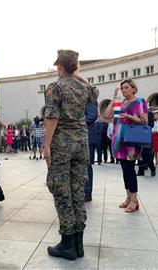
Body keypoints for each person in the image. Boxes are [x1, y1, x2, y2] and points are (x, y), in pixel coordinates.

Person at [43, 49, 98, 260]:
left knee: (61, 191)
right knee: (77, 192)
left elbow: (52, 116)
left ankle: (67, 245)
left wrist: (46, 145)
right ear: (75, 67)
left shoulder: (55, 87)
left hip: (62, 145)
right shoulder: (84, 88)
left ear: (59, 66)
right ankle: (78, 244)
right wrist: (76, 74)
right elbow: (94, 91)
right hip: (81, 145)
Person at [104, 79, 148, 212]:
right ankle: (128, 197)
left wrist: (128, 117)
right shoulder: (121, 103)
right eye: (122, 88)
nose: (123, 90)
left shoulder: (140, 101)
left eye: (126, 87)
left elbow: (144, 121)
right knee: (124, 170)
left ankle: (134, 200)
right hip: (118, 140)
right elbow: (106, 116)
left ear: (134, 88)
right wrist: (113, 99)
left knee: (129, 169)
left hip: (131, 140)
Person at [84, 100, 98, 202]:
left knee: (87, 165)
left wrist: (73, 119)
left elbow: (92, 116)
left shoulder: (90, 97)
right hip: (77, 138)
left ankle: (87, 193)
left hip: (87, 138)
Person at [137, 109, 156, 177]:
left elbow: (151, 125)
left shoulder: (150, 113)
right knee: (139, 154)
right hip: (138, 136)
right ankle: (141, 171)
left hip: (146, 136)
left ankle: (152, 169)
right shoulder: (137, 113)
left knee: (147, 154)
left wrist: (142, 121)